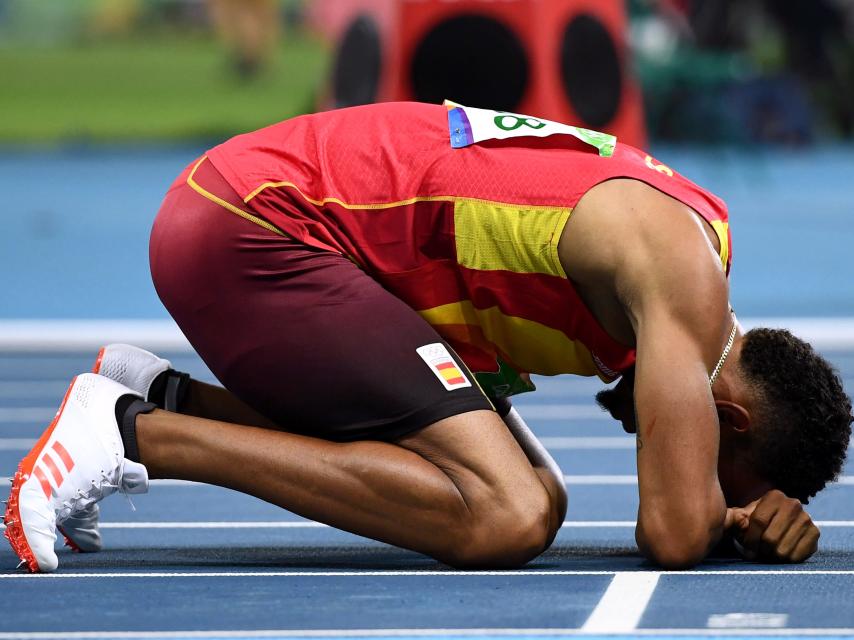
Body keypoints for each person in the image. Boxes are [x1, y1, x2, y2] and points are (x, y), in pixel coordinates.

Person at [5, 102, 851, 573]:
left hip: (278, 223)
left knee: (540, 493)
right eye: (714, 470)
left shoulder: (687, 250)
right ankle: (132, 434)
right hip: (258, 229)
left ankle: (165, 398)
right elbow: (672, 531)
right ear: (727, 421)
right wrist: (723, 520)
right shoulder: (685, 287)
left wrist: (730, 509)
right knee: (506, 514)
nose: (693, 474)